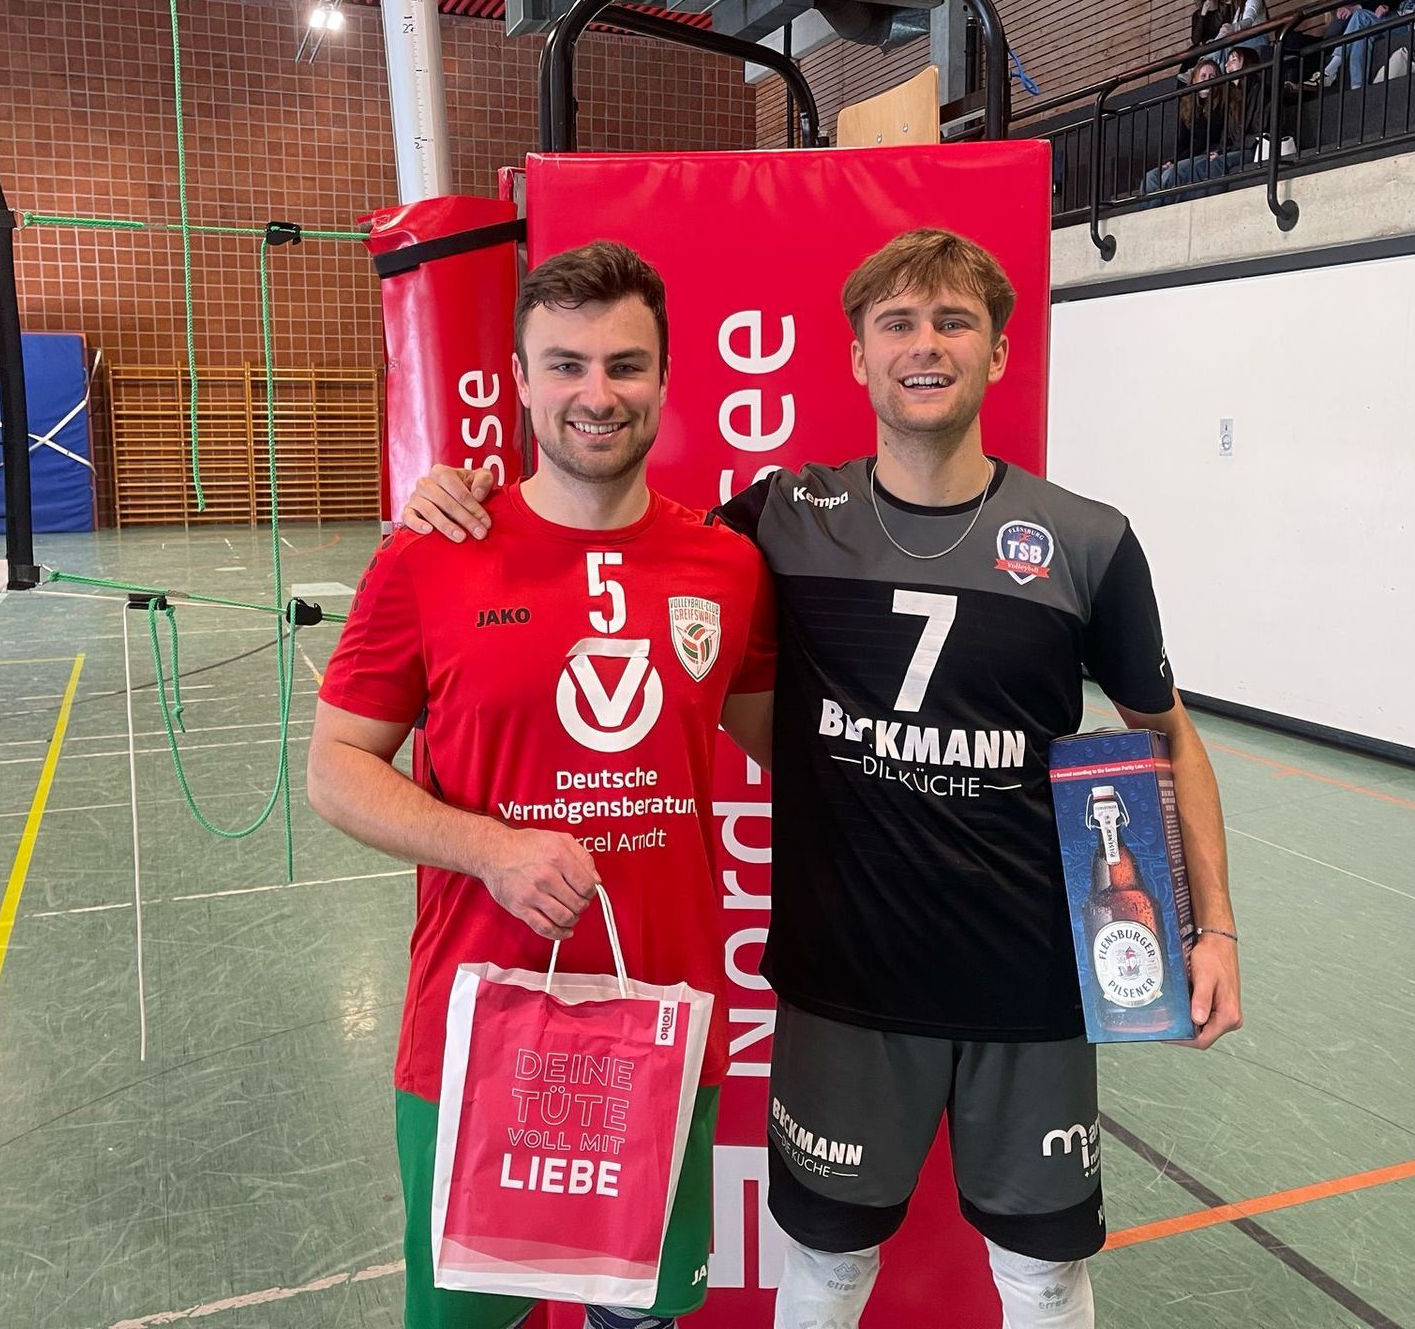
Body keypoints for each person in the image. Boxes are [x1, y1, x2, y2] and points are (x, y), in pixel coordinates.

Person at [402, 229, 1246, 1329]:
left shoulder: (1087, 542)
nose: (925, 345)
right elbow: (611, 539)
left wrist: (1215, 930)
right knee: (829, 1266)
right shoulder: (783, 520)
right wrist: (464, 503)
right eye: (898, 323)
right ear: (858, 357)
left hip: (1034, 987)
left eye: (953, 322)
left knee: (1045, 1274)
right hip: (845, 986)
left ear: (999, 352)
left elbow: (1169, 738)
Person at [307, 240, 778, 1329]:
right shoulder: (433, 553)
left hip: (659, 1031)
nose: (596, 394)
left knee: (639, 1317)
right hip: (479, 1033)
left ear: (665, 377)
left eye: (625, 364)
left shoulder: (727, 567)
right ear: (520, 381)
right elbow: (335, 769)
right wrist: (491, 849)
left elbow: (798, 752)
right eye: (565, 365)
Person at [1142, 59, 1227, 200]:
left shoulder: (1222, 103)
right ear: (1194, 80)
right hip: (1189, 156)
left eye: (1211, 76)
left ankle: (1166, 210)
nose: (1207, 79)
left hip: (1208, 152)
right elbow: (1182, 140)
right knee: (1151, 177)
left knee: (1173, 173)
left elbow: (1210, 137)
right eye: (1203, 76)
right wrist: (1173, 160)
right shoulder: (1187, 105)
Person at [1203, 0, 1269, 63]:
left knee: (1225, 46)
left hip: (1255, 40)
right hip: (1244, 42)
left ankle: (1207, 60)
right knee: (1223, 43)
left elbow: (1249, 20)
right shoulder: (1239, 8)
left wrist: (1233, 28)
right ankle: (1209, 58)